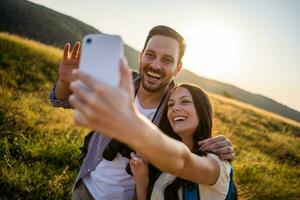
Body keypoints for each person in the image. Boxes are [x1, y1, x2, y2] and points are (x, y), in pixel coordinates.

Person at [49, 25, 235, 199]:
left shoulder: (174, 109)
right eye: (150, 55)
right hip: (86, 187)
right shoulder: (119, 82)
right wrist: (65, 82)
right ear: (141, 56)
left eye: (167, 60)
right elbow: (61, 100)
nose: (155, 65)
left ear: (178, 68)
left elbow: (188, 152)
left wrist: (219, 145)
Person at [69, 67, 237, 199]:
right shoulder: (162, 170)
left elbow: (183, 162)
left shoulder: (217, 163)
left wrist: (130, 122)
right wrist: (142, 180)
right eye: (170, 105)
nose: (175, 108)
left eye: (185, 102)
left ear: (202, 110)